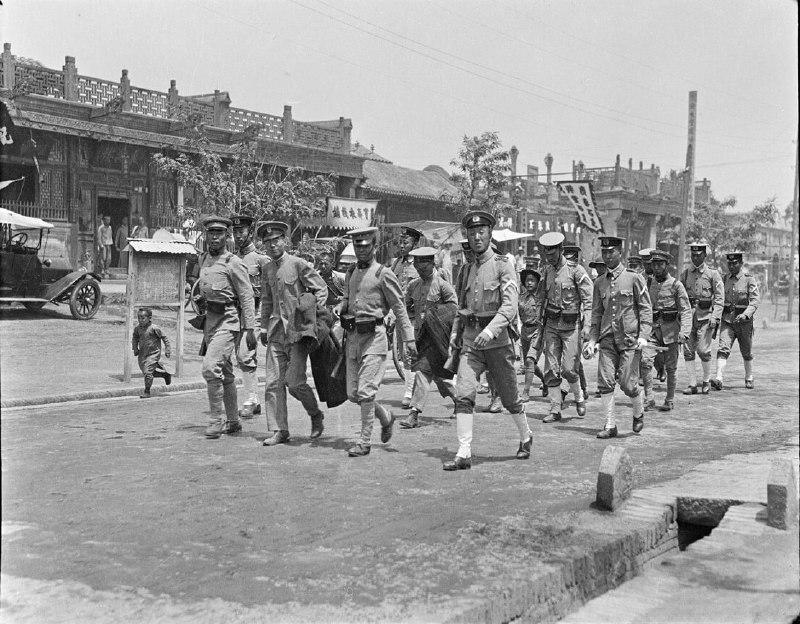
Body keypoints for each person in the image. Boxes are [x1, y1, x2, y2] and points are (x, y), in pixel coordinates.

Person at [444, 211, 532, 471]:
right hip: (471, 342)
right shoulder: (466, 270)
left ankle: (526, 436)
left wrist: (491, 330)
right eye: (472, 233)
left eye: (481, 232)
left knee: (509, 398)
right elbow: (461, 307)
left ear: (490, 234)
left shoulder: (504, 265)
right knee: (464, 393)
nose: (476, 237)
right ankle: (464, 452)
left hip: (497, 342)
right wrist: (454, 337)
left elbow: (510, 307)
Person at [334, 227, 415, 457]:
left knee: (366, 391)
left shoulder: (383, 274)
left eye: (366, 245)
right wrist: (340, 307)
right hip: (353, 340)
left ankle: (364, 441)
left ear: (374, 246)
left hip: (375, 339)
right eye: (357, 245)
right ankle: (384, 416)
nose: (361, 250)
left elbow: (399, 308)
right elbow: (347, 300)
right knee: (353, 393)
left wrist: (408, 339)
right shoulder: (350, 273)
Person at [259, 221, 329, 446]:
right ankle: (280, 430)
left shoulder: (298, 264)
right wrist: (262, 327)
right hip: (276, 332)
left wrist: (311, 315)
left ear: (285, 241)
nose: (271, 245)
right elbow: (267, 300)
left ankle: (315, 414)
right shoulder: (267, 269)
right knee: (272, 383)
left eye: (276, 240)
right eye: (267, 242)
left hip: (297, 334)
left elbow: (321, 288)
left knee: (294, 382)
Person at [195, 215, 257, 440]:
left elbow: (247, 296)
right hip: (210, 322)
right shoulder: (204, 260)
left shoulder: (233, 262)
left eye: (219, 233)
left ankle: (215, 420)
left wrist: (250, 329)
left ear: (226, 236)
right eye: (211, 233)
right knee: (226, 372)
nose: (214, 237)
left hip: (229, 322)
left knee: (210, 368)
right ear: (206, 236)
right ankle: (233, 421)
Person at [584, 236, 652, 438]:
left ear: (619, 252)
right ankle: (609, 425)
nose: (607, 256)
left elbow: (645, 308)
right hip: (607, 339)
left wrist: (644, 335)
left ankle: (638, 412)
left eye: (611, 252)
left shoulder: (634, 278)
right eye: (604, 252)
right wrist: (591, 340)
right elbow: (597, 314)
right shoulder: (599, 283)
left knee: (628, 384)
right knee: (604, 382)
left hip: (630, 339)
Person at [535, 231, 593, 423]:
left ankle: (578, 398)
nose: (549, 258)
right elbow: (540, 297)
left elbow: (589, 299)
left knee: (569, 369)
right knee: (550, 370)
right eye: (546, 254)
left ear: (560, 250)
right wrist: (537, 321)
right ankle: (555, 409)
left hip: (571, 326)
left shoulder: (576, 271)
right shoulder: (546, 271)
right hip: (551, 325)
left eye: (552, 254)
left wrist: (587, 326)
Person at [400, 246, 458, 429]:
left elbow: (454, 308)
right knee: (432, 375)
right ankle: (458, 401)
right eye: (416, 264)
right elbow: (403, 307)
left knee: (428, 374)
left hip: (438, 338)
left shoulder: (442, 285)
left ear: (431, 263)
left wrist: (435, 315)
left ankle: (415, 413)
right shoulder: (413, 285)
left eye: (423, 264)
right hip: (421, 338)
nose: (419, 268)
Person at [231, 214, 272, 419]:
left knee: (245, 354)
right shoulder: (232, 259)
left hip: (255, 311)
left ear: (250, 232)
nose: (238, 236)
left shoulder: (261, 260)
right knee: (241, 357)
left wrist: (265, 320)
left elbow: (271, 289)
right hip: (235, 312)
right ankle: (253, 399)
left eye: (242, 232)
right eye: (235, 232)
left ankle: (251, 399)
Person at [640, 250, 692, 412]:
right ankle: (649, 398)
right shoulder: (648, 284)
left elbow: (685, 310)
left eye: (660, 264)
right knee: (645, 361)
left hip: (671, 333)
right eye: (654, 264)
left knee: (671, 368)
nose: (657, 268)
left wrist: (684, 332)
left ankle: (669, 399)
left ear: (666, 265)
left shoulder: (676, 285)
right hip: (652, 332)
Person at [680, 240, 724, 395]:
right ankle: (692, 384)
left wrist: (715, 317)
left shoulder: (713, 274)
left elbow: (719, 299)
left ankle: (706, 381)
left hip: (706, 317)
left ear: (704, 255)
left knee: (703, 350)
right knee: (688, 351)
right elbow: (680, 295)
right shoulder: (685, 274)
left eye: (699, 255)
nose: (695, 258)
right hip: (688, 316)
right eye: (693, 255)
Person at [711, 251, 760, 390]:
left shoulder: (749, 279)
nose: (731, 266)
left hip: (744, 322)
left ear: (741, 264)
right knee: (723, 348)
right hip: (727, 320)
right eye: (729, 263)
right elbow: (718, 298)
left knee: (746, 351)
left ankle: (749, 377)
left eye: (735, 263)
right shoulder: (724, 279)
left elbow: (755, 301)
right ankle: (719, 379)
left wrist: (746, 314)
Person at [391, 226, 423, 408]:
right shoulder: (396, 263)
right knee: (404, 356)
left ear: (415, 244)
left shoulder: (420, 263)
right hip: (399, 316)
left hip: (415, 316)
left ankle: (410, 393)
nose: (402, 245)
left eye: (406, 242)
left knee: (412, 355)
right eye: (400, 242)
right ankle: (412, 390)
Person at [518, 267, 546, 401]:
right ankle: (545, 380)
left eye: (532, 281)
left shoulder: (541, 297)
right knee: (531, 364)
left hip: (538, 331)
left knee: (529, 360)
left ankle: (526, 391)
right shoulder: (521, 297)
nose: (529, 283)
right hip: (524, 331)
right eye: (527, 280)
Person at [132, 307, 172, 399]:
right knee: (146, 371)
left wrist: (167, 349)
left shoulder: (154, 328)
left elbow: (164, 338)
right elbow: (134, 338)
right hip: (143, 353)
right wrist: (135, 348)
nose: (140, 320)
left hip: (153, 354)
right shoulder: (137, 329)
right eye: (139, 318)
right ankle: (164, 375)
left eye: (143, 318)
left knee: (147, 372)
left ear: (149, 318)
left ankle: (147, 391)